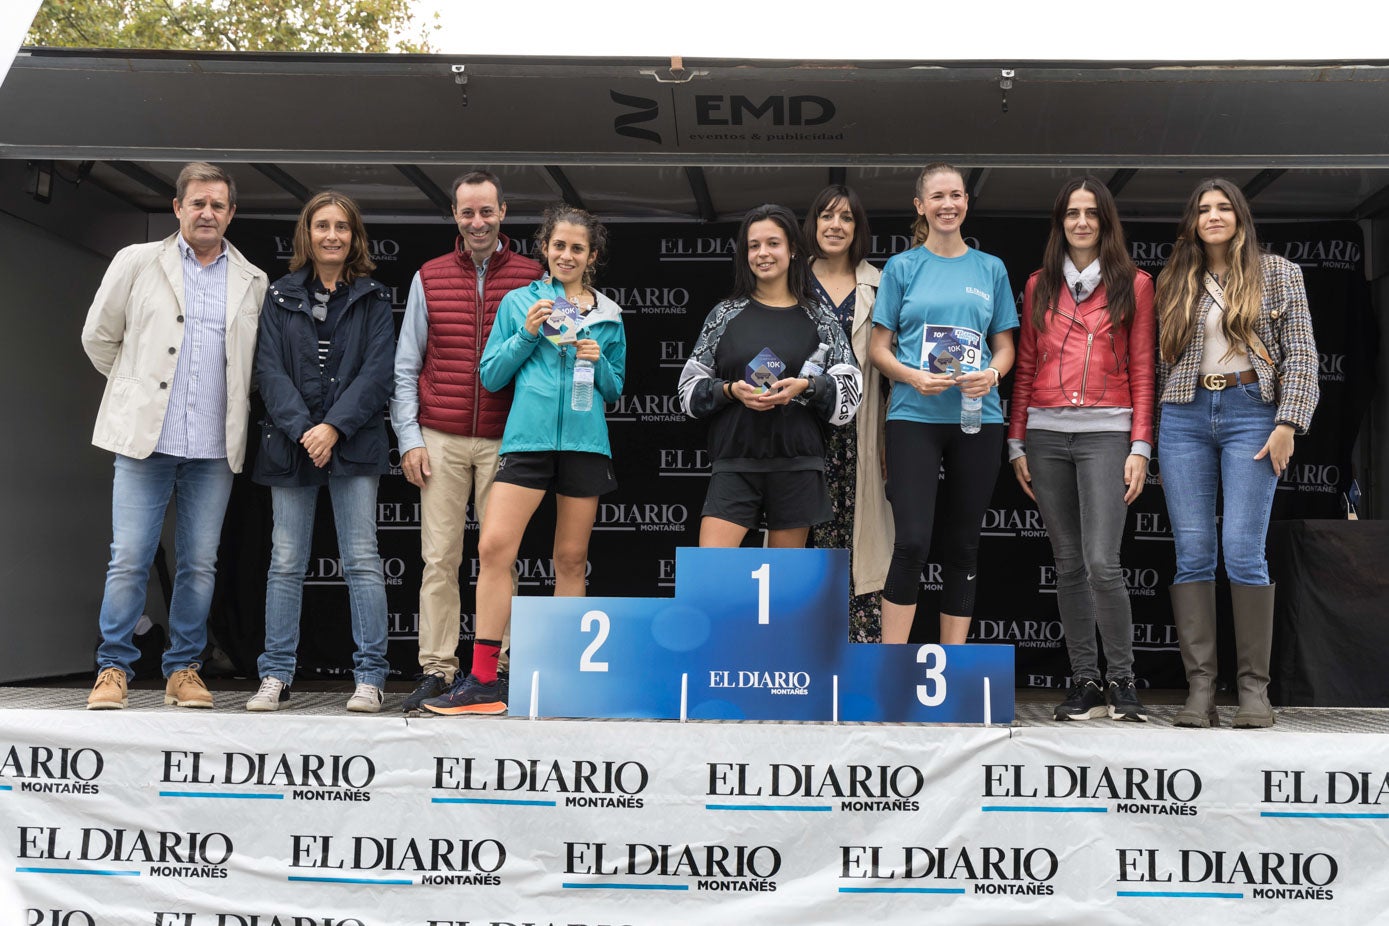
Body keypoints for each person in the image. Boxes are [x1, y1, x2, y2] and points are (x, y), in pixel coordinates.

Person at [423, 206, 627, 715]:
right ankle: (484, 682)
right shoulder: (520, 303)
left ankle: (563, 681)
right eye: (559, 245)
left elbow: (616, 389)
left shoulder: (609, 315)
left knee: (571, 560)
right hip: (527, 442)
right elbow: (491, 375)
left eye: (578, 248)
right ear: (546, 248)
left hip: (584, 446)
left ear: (591, 257)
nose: (567, 255)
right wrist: (527, 334)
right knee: (494, 549)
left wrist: (598, 363)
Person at [81, 162, 268, 710]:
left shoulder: (252, 280)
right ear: (177, 208)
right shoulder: (137, 262)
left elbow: (252, 366)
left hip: (212, 447)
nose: (207, 212)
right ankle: (113, 667)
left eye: (218, 205)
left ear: (231, 213)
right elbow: (99, 337)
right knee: (129, 556)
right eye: (197, 203)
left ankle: (183, 669)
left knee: (199, 563)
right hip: (146, 441)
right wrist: (133, 388)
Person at [1155, 178, 1319, 729]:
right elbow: (1160, 361)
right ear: (1193, 222)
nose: (1214, 215)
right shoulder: (1176, 277)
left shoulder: (1278, 273)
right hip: (1185, 414)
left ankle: (1253, 690)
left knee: (1243, 550)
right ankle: (1200, 690)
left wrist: (1288, 422)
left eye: (1224, 207)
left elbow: (1302, 355)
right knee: (1193, 551)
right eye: (1204, 209)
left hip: (1252, 410)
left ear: (1241, 217)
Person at [391, 171, 542, 713]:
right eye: (466, 213)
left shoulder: (534, 277)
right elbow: (407, 365)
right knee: (439, 558)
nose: (476, 222)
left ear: (503, 212)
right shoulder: (429, 276)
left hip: (509, 437)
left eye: (486, 211)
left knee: (500, 557)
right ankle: (437, 669)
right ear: (454, 216)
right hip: (441, 436)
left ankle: (498, 668)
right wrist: (410, 438)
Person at [1008, 177, 1155, 722]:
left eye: (1092, 213)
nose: (1082, 222)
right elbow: (1025, 366)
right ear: (1060, 222)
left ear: (1107, 221)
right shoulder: (1037, 285)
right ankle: (1086, 682)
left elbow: (1143, 369)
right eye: (1072, 213)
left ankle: (1123, 681)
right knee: (1068, 564)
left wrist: (1140, 443)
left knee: (1102, 561)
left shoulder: (1134, 284)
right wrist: (1016, 440)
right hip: (1045, 434)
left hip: (1107, 432)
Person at [245, 192, 395, 713]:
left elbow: (378, 375)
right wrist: (306, 429)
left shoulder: (375, 298)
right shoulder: (279, 294)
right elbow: (268, 370)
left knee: (361, 560)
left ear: (355, 237)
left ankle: (371, 677)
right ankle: (275, 674)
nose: (332, 235)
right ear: (306, 235)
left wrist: (332, 427)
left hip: (352, 445)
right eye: (322, 226)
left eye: (342, 227)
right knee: (286, 562)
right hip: (291, 446)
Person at [870, 163, 1018, 645]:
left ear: (967, 203)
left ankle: (950, 667)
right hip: (914, 416)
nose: (947, 204)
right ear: (921, 206)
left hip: (979, 418)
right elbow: (878, 348)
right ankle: (890, 664)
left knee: (963, 544)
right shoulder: (902, 267)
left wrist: (993, 373)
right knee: (911, 541)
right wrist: (911, 376)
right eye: (937, 196)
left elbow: (1006, 346)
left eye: (956, 195)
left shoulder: (990, 268)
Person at [677, 204, 861, 550]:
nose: (763, 253)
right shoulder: (724, 315)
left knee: (781, 591)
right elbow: (688, 393)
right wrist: (731, 390)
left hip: (798, 463)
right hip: (735, 461)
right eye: (754, 245)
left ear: (792, 249)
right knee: (712, 576)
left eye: (773, 243)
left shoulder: (820, 317)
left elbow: (850, 397)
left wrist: (807, 386)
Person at [803, 185, 890, 640]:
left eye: (846, 218)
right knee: (800, 527)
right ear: (813, 224)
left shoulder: (881, 282)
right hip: (797, 426)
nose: (835, 226)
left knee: (860, 535)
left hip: (860, 429)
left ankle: (856, 648)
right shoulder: (790, 279)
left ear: (858, 229)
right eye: (826, 216)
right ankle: (799, 639)